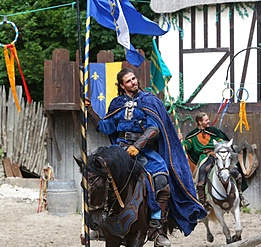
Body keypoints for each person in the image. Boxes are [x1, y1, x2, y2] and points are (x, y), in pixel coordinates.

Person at [87, 68, 207, 246]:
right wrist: (89, 110)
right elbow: (106, 127)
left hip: (144, 150)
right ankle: (103, 224)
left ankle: (156, 226)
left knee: (162, 179)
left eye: (134, 79)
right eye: (128, 81)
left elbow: (154, 127)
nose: (133, 82)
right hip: (119, 149)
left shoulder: (149, 100)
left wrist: (138, 145)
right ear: (122, 85)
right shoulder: (117, 103)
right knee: (98, 175)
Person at [182, 112, 250, 208]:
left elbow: (220, 141)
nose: (208, 121)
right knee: (202, 174)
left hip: (217, 155)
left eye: (208, 119)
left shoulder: (213, 132)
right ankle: (203, 202)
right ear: (199, 122)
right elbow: (186, 146)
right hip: (204, 158)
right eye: (206, 120)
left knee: (234, 171)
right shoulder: (192, 136)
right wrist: (181, 142)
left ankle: (241, 196)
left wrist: (221, 145)